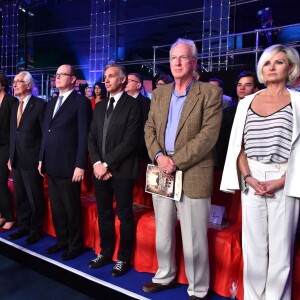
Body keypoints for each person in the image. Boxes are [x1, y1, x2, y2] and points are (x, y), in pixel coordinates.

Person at [143, 38, 222, 300]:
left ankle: (198, 288)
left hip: (193, 168)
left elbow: (208, 136)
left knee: (195, 234)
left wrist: (175, 161)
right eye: (173, 57)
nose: (176, 62)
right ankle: (165, 275)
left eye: (183, 57)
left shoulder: (210, 93)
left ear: (194, 62)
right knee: (162, 227)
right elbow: (149, 129)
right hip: (160, 166)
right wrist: (159, 156)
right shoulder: (160, 93)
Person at [220, 44, 300, 299]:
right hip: (251, 177)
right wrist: (249, 177)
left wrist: (281, 180)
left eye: (279, 62)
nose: (272, 67)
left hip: (287, 178)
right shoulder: (247, 103)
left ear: (290, 68)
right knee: (253, 246)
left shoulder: (298, 102)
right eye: (267, 63)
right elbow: (239, 146)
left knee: (281, 249)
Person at [88, 64, 142, 277]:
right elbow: (91, 137)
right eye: (105, 77)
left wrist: (106, 164)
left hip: (121, 170)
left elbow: (130, 141)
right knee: (103, 213)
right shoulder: (100, 106)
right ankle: (105, 252)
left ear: (123, 79)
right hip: (100, 170)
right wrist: (96, 164)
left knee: (125, 214)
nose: (107, 80)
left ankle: (123, 258)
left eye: (111, 76)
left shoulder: (133, 105)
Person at [39, 64, 92, 260]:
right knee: (57, 207)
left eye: (63, 74)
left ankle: (75, 244)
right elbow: (46, 132)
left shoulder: (81, 102)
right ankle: (62, 240)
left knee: (71, 207)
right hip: (51, 163)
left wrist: (80, 164)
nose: (58, 77)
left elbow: (83, 135)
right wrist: (40, 158)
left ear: (73, 79)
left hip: (70, 165)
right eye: (56, 74)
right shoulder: (52, 102)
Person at [7, 71, 45, 244]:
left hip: (32, 159)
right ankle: (23, 226)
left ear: (29, 85)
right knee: (20, 196)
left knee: (34, 196)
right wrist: (10, 155)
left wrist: (41, 158)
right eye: (14, 82)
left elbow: (44, 134)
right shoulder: (15, 105)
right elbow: (13, 133)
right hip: (16, 158)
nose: (14, 85)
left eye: (19, 81)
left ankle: (35, 229)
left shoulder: (39, 105)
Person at [216, 71, 260, 170]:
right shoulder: (226, 112)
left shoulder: (261, 112)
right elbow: (222, 143)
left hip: (256, 165)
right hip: (230, 164)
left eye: (247, 85)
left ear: (256, 89)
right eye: (239, 85)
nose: (242, 88)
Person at [0, 72, 18, 232]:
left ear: (2, 84)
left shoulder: (12, 101)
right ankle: (3, 215)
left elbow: (14, 129)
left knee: (1, 181)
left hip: (5, 146)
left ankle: (10, 217)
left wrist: (12, 154)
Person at [125, 72, 151, 162]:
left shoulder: (146, 103)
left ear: (138, 85)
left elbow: (145, 128)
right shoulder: (121, 102)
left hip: (138, 153)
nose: (125, 83)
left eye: (129, 81)